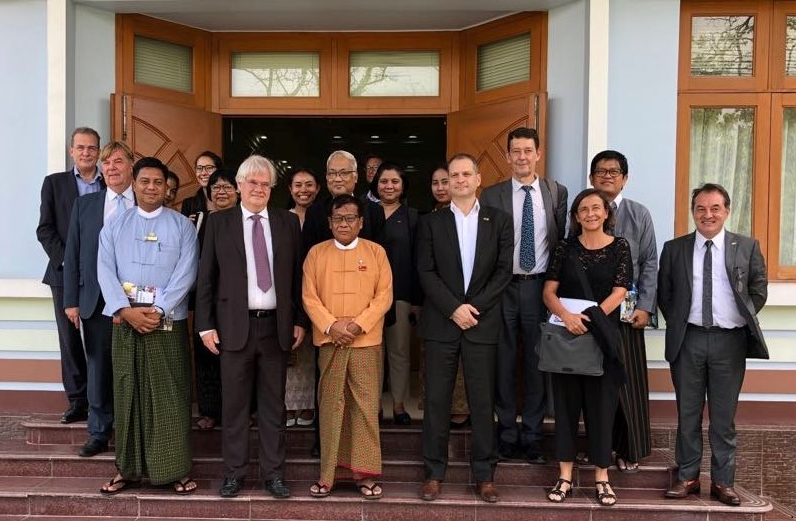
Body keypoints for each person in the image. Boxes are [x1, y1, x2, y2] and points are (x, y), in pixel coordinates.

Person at [195, 154, 307, 499]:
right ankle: (234, 473)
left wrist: (300, 319)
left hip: (276, 327)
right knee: (235, 406)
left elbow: (298, 275)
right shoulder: (219, 223)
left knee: (274, 407)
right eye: (252, 182)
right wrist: (204, 326)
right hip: (233, 328)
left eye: (265, 184)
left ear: (271, 189)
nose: (258, 189)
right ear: (239, 185)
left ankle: (274, 475)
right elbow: (206, 279)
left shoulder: (287, 222)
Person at [660, 183, 768, 506]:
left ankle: (723, 482)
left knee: (723, 418)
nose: (708, 215)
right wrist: (680, 321)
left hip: (729, 343)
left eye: (715, 208)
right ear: (693, 212)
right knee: (688, 413)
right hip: (688, 340)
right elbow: (666, 294)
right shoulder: (674, 249)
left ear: (727, 211)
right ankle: (688, 477)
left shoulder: (746, 247)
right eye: (701, 209)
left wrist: (738, 317)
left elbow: (758, 290)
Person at [96, 156, 199, 495]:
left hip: (165, 323)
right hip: (125, 321)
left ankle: (175, 470)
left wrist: (157, 309)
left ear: (167, 188)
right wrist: (126, 312)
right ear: (134, 184)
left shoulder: (182, 226)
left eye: (158, 182)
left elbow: (186, 273)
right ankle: (127, 469)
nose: (152, 187)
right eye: (145, 181)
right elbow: (105, 271)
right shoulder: (115, 225)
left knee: (169, 396)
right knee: (127, 394)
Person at [417, 153, 512, 504]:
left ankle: (485, 474)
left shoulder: (499, 220)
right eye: (452, 175)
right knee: (437, 401)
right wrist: (453, 308)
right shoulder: (431, 222)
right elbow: (425, 272)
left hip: (482, 323)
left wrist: (474, 308)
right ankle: (433, 472)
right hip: (442, 322)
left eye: (465, 174)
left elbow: (504, 272)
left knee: (482, 401)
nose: (458, 180)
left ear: (477, 178)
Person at [480, 126, 568, 463]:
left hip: (539, 288)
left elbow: (560, 243)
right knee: (502, 361)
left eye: (527, 150)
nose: (521, 157)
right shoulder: (490, 195)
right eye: (515, 151)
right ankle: (505, 430)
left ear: (538, 153)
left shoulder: (556, 192)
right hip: (503, 287)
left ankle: (532, 434)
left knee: (536, 361)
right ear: (507, 156)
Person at [542, 188, 631, 507]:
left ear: (606, 213)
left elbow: (621, 290)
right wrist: (566, 317)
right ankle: (564, 475)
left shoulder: (620, 246)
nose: (591, 213)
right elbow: (549, 290)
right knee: (565, 408)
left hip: (602, 335)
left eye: (597, 208)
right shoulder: (565, 247)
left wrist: (592, 319)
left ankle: (602, 478)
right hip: (567, 336)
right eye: (584, 209)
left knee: (601, 409)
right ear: (576, 216)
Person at [302, 194, 393, 500]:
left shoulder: (376, 252)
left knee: (365, 409)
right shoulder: (316, 253)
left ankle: (364, 474)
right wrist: (332, 326)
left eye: (350, 218)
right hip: (330, 342)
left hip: (365, 342)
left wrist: (357, 325)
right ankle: (328, 475)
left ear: (361, 222)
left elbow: (384, 297)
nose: (344, 224)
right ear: (329, 223)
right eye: (338, 219)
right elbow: (309, 297)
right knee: (331, 408)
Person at [63, 141, 135, 458]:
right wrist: (71, 301)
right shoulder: (87, 205)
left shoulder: (144, 203)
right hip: (95, 301)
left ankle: (134, 431)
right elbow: (73, 254)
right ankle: (98, 431)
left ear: (131, 166)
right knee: (99, 369)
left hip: (137, 304)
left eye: (118, 161)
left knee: (134, 368)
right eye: (106, 162)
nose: (111, 167)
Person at [589, 150, 657, 473]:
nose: (607, 176)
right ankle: (593, 446)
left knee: (625, 383)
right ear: (591, 178)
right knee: (591, 380)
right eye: (600, 171)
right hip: (590, 312)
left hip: (627, 313)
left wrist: (646, 306)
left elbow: (650, 263)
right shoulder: (583, 210)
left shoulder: (639, 214)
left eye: (614, 172)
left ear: (625, 179)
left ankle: (627, 447)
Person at [302, 150, 372, 458]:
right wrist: (328, 321)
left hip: (364, 321)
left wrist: (362, 319)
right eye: (332, 174)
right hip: (326, 322)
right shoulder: (317, 212)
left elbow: (379, 263)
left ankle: (361, 448)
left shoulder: (372, 210)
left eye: (344, 173)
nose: (337, 179)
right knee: (327, 387)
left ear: (356, 177)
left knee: (362, 392)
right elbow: (307, 265)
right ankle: (324, 442)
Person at [37, 127, 104, 425]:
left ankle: (102, 399)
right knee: (70, 340)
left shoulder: (110, 184)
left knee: (100, 339)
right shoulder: (54, 183)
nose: (86, 153)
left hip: (102, 275)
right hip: (63, 274)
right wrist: (68, 260)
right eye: (81, 148)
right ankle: (77, 401)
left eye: (91, 148)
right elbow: (45, 229)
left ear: (99, 152)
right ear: (71, 151)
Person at [368, 162, 421, 425]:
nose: (388, 186)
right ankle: (374, 405)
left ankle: (399, 404)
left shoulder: (412, 216)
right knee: (373, 352)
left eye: (394, 181)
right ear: (376, 185)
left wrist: (416, 301)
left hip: (400, 293)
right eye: (383, 181)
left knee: (399, 351)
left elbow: (417, 260)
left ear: (403, 186)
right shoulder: (365, 213)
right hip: (367, 297)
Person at [419, 165, 470, 427]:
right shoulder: (428, 220)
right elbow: (425, 267)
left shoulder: (475, 219)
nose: (441, 188)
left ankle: (461, 408)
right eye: (435, 183)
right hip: (437, 303)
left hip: (469, 304)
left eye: (444, 182)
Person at [192, 168, 240, 431]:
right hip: (207, 297)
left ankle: (243, 410)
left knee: (238, 358)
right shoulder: (201, 221)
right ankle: (210, 411)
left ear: (238, 191)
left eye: (227, 187)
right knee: (207, 357)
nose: (221, 192)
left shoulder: (245, 220)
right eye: (216, 188)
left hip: (237, 301)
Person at [285, 167, 319, 428]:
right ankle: (287, 405)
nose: (303, 190)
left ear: (317, 188)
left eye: (309, 185)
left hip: (318, 288)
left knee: (309, 348)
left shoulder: (323, 218)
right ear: (289, 189)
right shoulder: (280, 218)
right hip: (286, 287)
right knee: (287, 347)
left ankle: (307, 405)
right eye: (298, 185)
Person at [181, 151, 223, 218]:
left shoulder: (230, 200)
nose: (203, 173)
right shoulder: (189, 204)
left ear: (219, 171)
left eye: (209, 168)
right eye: (199, 168)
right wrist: (187, 224)